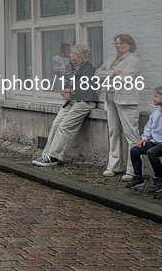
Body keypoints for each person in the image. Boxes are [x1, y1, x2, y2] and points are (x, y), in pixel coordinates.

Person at [33, 44, 99, 166]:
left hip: (84, 102)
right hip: (72, 101)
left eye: (72, 53)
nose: (70, 55)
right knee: (56, 124)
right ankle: (46, 154)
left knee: (65, 127)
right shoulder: (74, 68)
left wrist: (70, 91)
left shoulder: (89, 69)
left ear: (78, 55)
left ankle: (55, 156)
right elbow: (69, 84)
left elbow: (88, 88)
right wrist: (65, 92)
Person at [99, 34, 142, 179]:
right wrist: (113, 73)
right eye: (116, 43)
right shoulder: (112, 59)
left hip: (126, 100)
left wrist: (108, 74)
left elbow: (125, 78)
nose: (118, 46)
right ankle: (114, 165)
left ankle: (133, 170)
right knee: (113, 131)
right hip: (110, 99)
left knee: (131, 135)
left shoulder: (133, 61)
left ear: (130, 45)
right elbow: (97, 74)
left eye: (122, 43)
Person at [125, 87, 162, 193]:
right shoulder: (155, 114)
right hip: (155, 141)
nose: (153, 98)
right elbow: (148, 128)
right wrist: (144, 139)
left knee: (151, 152)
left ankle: (159, 179)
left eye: (156, 96)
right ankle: (138, 177)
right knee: (135, 150)